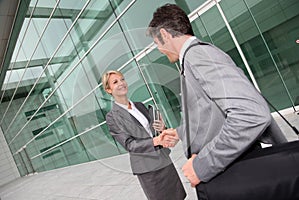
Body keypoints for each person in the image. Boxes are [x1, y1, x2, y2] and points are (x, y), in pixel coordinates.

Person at [146, 3, 288, 198]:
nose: (159, 49)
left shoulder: (198, 56)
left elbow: (251, 114)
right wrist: (180, 132)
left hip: (240, 173)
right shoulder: (191, 58)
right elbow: (210, 112)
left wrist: (202, 165)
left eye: (157, 42)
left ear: (165, 34)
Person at [102, 70, 186, 200]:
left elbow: (152, 132)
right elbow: (130, 145)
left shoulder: (139, 106)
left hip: (163, 160)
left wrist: (162, 128)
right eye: (115, 82)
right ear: (108, 89)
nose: (121, 83)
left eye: (122, 79)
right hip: (148, 168)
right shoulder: (112, 117)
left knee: (178, 196)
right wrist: (156, 141)